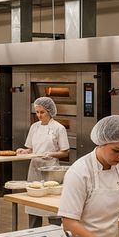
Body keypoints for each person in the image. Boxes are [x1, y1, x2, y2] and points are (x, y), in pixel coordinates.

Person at [15, 97, 70, 228]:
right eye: (37, 112)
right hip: (34, 169)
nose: (39, 115)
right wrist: (24, 151)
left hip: (51, 171)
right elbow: (31, 148)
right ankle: (33, 234)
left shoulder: (59, 128)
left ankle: (57, 235)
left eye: (42, 112)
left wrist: (51, 154)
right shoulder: (34, 127)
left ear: (50, 112)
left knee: (51, 207)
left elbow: (65, 152)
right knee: (33, 203)